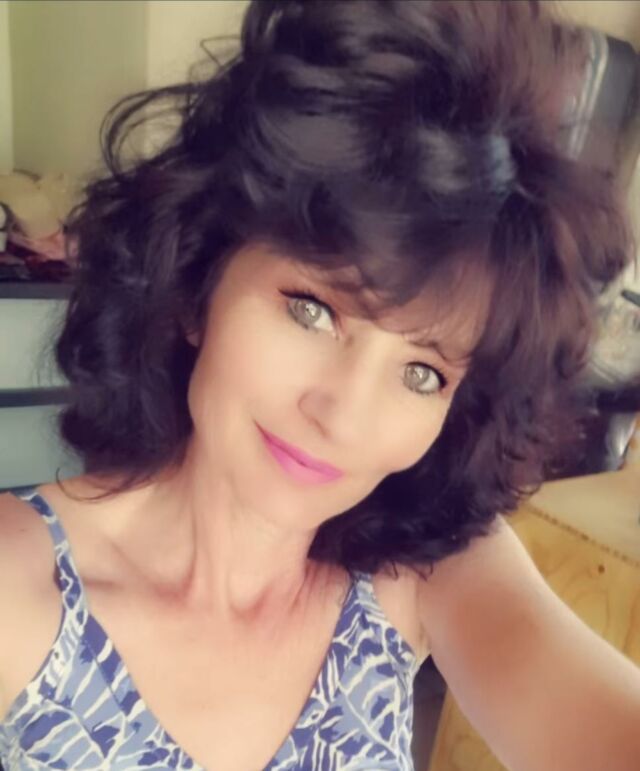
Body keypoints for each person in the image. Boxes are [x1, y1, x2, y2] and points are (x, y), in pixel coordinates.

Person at [1, 1, 639, 769]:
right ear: (198, 282)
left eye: (422, 372)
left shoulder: (421, 569)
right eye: (313, 310)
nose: (343, 416)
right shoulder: (18, 588)